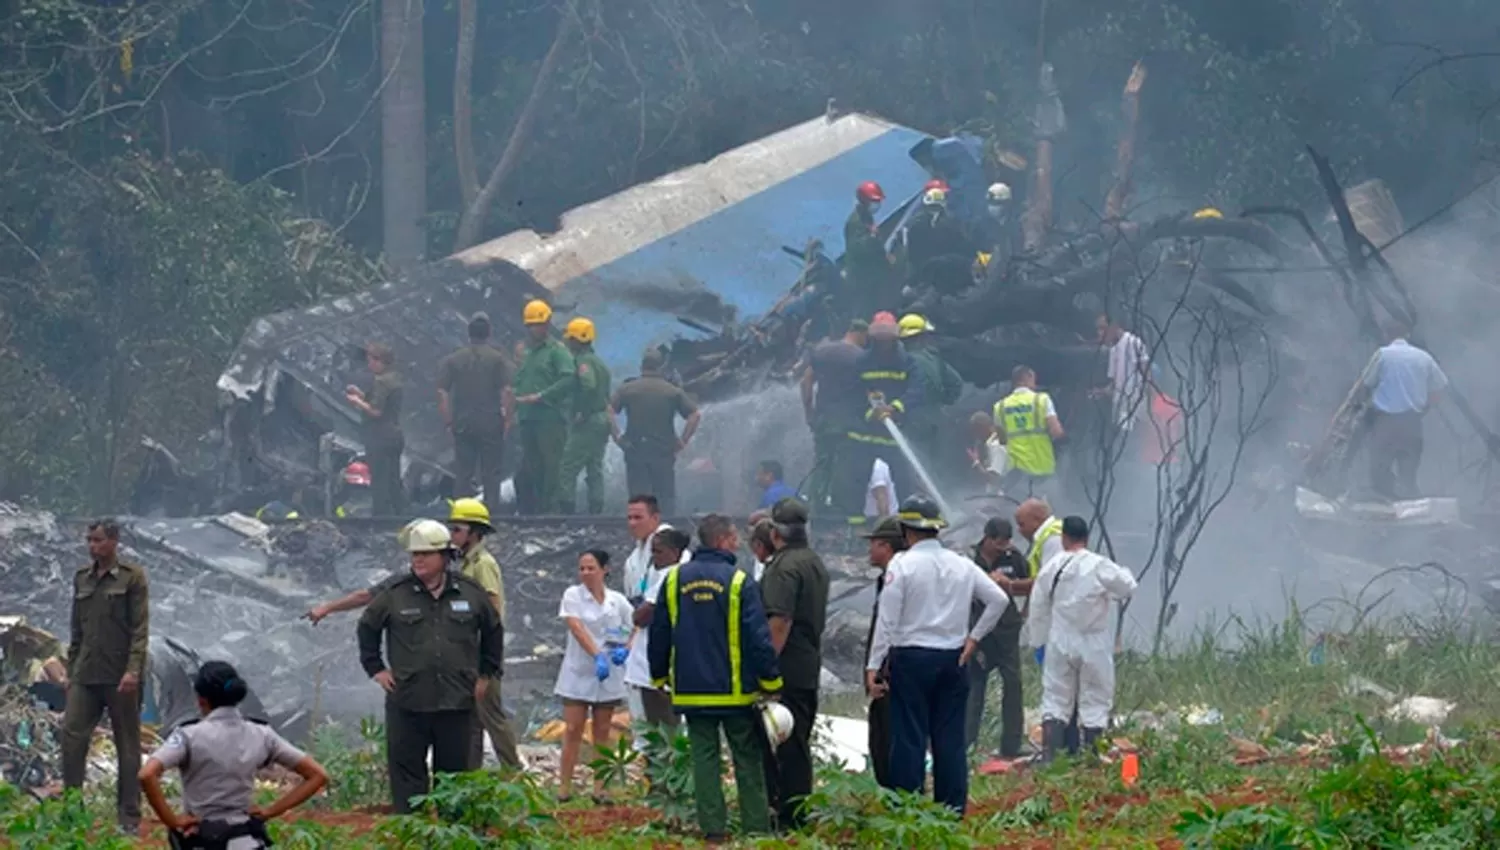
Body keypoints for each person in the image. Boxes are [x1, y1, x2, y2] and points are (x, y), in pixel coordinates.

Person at [865, 496, 1008, 815]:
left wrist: (874, 666)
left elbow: (887, 622)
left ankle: (909, 810)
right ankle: (951, 809)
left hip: (911, 659)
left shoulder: (901, 566)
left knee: (909, 737)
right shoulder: (962, 564)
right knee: (950, 740)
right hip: (953, 660)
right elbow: (998, 600)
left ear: (905, 530)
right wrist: (974, 639)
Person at [649, 514, 782, 842]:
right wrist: (771, 682)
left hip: (692, 692)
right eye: (734, 536)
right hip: (735, 692)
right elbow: (758, 638)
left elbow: (660, 632)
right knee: (747, 759)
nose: (737, 542)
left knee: (704, 761)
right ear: (722, 540)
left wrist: (659, 676)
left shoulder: (674, 580)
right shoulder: (739, 582)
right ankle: (755, 829)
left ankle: (714, 831)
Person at [356, 519, 502, 813]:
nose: (418, 560)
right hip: (408, 701)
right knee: (408, 779)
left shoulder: (470, 592)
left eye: (425, 553)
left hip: (456, 703)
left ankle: (453, 839)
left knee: (455, 780)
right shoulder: (395, 593)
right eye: (414, 554)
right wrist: (376, 669)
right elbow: (366, 628)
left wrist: (487, 674)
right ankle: (414, 836)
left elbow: (493, 630)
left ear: (445, 556)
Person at [139, 661, 328, 849]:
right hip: (246, 839)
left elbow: (147, 774)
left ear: (201, 699)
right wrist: (269, 812)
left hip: (202, 838)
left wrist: (173, 821)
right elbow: (318, 775)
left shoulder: (188, 735)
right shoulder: (262, 734)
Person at [62, 519, 149, 835]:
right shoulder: (81, 578)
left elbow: (140, 630)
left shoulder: (131, 577)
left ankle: (128, 817)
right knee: (72, 738)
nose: (92, 546)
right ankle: (72, 811)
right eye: (89, 540)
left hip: (120, 675)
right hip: (86, 673)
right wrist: (70, 671)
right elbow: (76, 629)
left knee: (127, 745)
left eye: (97, 540)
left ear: (114, 542)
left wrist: (133, 670)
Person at [1029, 516, 1137, 761]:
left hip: (1059, 641)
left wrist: (1038, 643)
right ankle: (1092, 757)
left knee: (1056, 698)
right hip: (1094, 642)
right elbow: (1128, 587)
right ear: (1087, 538)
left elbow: (1038, 607)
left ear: (1064, 537)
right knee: (1096, 698)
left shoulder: (1052, 566)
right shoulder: (1099, 565)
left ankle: (1051, 759)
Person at [757, 498, 829, 831]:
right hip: (807, 664)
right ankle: (796, 810)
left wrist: (765, 670)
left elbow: (779, 622)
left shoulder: (783, 568)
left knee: (784, 743)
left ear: (775, 533)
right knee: (798, 740)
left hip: (786, 667)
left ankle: (787, 816)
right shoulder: (812, 561)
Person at [445, 499, 523, 771]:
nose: (452, 535)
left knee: (490, 713)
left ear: (474, 532)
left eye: (457, 529)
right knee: (472, 719)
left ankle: (513, 772)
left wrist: (487, 658)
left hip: (482, 651)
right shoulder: (465, 563)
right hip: (468, 650)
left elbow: (492, 609)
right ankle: (472, 775)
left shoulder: (482, 563)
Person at [554, 550, 634, 802]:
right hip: (579, 672)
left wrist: (627, 649)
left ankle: (600, 788)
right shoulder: (573, 595)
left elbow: (635, 626)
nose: (586, 573)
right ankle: (564, 787)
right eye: (582, 568)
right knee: (573, 728)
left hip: (609, 674)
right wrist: (596, 654)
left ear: (605, 569)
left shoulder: (617, 600)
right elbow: (576, 628)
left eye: (591, 568)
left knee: (602, 731)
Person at [832, 315, 922, 527]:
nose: (883, 343)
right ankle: (855, 530)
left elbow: (917, 391)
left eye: (887, 339)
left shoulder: (907, 363)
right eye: (879, 339)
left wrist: (896, 408)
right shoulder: (861, 362)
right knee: (857, 482)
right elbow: (851, 394)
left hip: (894, 434)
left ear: (894, 338)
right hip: (864, 434)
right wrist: (868, 413)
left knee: (904, 482)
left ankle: (907, 527)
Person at [965, 518, 1030, 757]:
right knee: (974, 687)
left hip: (1006, 629)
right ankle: (967, 744)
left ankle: (1011, 745)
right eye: (998, 543)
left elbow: (1033, 584)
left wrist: (1024, 606)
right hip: (978, 630)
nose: (1002, 548)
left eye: (1006, 543)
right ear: (987, 538)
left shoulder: (1013, 558)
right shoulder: (969, 558)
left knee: (1013, 684)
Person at [609, 349, 701, 515]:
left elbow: (608, 411)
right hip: (664, 450)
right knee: (665, 496)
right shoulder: (672, 391)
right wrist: (682, 441)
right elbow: (695, 414)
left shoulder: (627, 389)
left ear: (642, 366)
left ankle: (639, 531)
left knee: (638, 496)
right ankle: (665, 531)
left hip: (635, 448)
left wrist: (618, 437)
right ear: (660, 367)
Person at [624, 525, 691, 748]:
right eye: (652, 551)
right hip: (664, 662)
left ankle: (662, 779)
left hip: (653, 666)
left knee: (660, 729)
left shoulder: (668, 576)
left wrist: (636, 612)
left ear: (675, 553)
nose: (654, 557)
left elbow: (642, 616)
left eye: (659, 551)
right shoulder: (675, 575)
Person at [1363, 324, 1448, 499]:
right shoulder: (1424, 357)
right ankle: (1410, 511)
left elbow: (1366, 383)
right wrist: (1424, 410)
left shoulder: (1382, 355)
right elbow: (1440, 388)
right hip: (1412, 422)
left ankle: (1386, 508)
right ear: (1407, 335)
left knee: (1380, 469)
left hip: (1385, 422)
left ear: (1388, 334)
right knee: (1408, 473)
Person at [438, 311, 514, 505]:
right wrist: (507, 419)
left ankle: (461, 514)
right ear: (488, 333)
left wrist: (448, 421)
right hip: (490, 422)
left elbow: (442, 392)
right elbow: (506, 391)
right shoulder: (498, 359)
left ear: (469, 333)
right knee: (491, 473)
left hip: (463, 423)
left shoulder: (454, 359)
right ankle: (491, 515)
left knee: (463, 473)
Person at [620, 495, 679, 744]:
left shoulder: (670, 545)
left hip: (665, 640)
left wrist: (642, 613)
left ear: (655, 518)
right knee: (642, 715)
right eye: (630, 518)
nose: (633, 523)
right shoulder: (634, 558)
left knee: (665, 717)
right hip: (640, 639)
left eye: (639, 517)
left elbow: (656, 602)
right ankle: (651, 771)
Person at [513, 299, 576, 514]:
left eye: (539, 324)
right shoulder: (526, 353)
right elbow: (519, 382)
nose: (536, 329)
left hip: (550, 418)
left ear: (548, 324)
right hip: (528, 418)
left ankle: (552, 510)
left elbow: (569, 380)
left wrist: (542, 396)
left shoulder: (557, 351)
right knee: (533, 467)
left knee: (552, 466)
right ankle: (538, 509)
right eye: (532, 325)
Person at [800, 320, 868, 509]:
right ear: (861, 333)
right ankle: (840, 510)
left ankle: (816, 507)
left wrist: (809, 413)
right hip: (849, 422)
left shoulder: (822, 351)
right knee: (845, 466)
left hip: (823, 419)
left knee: (822, 464)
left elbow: (806, 383)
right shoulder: (862, 357)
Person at [861, 517, 906, 788]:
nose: (870, 551)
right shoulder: (885, 579)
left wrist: (877, 670)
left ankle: (898, 794)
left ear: (887, 547)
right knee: (879, 737)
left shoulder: (896, 580)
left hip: (892, 671)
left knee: (889, 737)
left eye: (874, 544)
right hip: (886, 669)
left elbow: (888, 629)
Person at [558, 318, 613, 514]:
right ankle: (596, 510)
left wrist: (582, 410)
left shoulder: (583, 362)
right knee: (594, 467)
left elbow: (588, 385)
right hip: (602, 420)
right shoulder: (600, 363)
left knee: (567, 467)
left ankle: (566, 511)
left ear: (577, 340)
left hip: (588, 421)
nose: (568, 343)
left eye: (571, 339)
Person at [346, 342, 405, 515]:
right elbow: (382, 404)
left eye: (371, 360)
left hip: (380, 437)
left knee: (379, 479)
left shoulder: (381, 382)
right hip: (395, 434)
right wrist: (361, 395)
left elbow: (376, 411)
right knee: (394, 478)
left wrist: (356, 402)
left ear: (379, 361)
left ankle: (380, 515)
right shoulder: (395, 378)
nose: (369, 364)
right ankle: (400, 513)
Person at [899, 313, 964, 468]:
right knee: (933, 465)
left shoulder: (901, 361)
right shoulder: (935, 360)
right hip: (936, 418)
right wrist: (943, 400)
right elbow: (956, 384)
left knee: (912, 463)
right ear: (922, 337)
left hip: (910, 420)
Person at [995, 365, 1064, 501]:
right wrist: (1064, 440)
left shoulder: (1000, 407)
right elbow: (1056, 431)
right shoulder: (1042, 399)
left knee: (1017, 508)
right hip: (1042, 467)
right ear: (1028, 377)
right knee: (1041, 511)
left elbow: (1002, 440)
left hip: (1016, 471)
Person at [841, 182, 898, 325]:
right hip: (861, 277)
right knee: (863, 312)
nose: (877, 204)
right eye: (874, 201)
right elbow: (857, 248)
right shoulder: (855, 222)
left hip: (872, 276)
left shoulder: (866, 217)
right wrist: (872, 238)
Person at [1091, 313, 1151, 439]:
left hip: (1135, 406)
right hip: (1120, 407)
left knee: (1130, 442)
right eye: (1098, 329)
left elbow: (1146, 374)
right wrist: (1100, 391)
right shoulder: (1113, 350)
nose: (1100, 333)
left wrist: (1146, 402)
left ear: (1114, 326)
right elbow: (1114, 384)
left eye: (1103, 328)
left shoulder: (1133, 343)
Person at [967, 412, 1007, 492]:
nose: (975, 435)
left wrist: (976, 462)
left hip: (1000, 499)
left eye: (975, 430)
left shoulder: (997, 446)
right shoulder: (990, 445)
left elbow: (994, 480)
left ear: (982, 428)